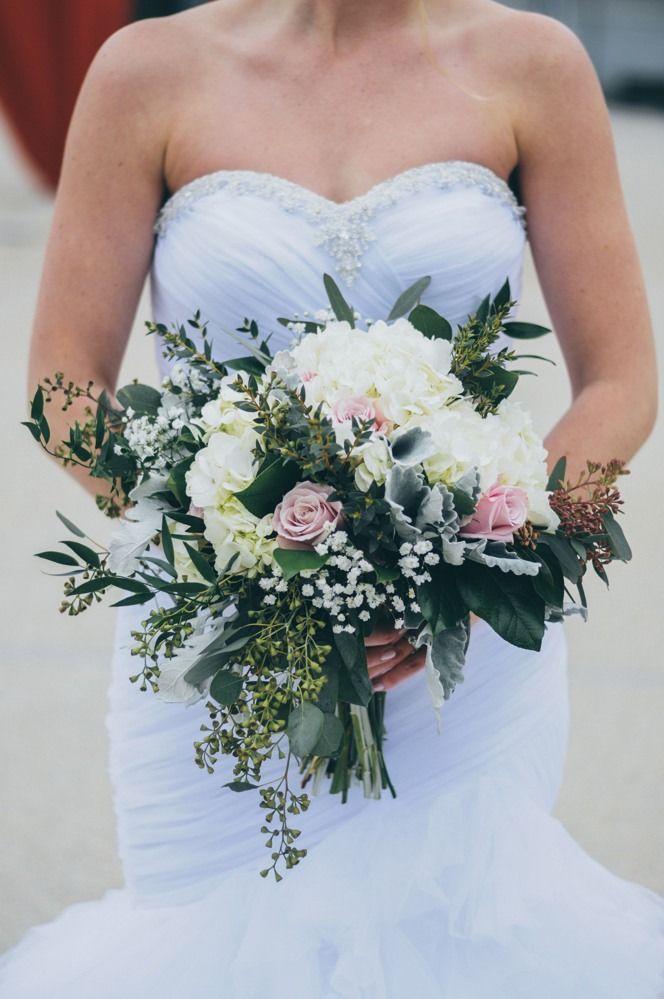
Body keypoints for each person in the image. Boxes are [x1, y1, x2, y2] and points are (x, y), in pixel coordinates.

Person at [1, 1, 662, 995]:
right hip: (225, 642)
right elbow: (61, 395)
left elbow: (621, 382)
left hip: (456, 652)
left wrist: (481, 562)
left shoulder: (534, 64)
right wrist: (247, 557)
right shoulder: (145, 71)